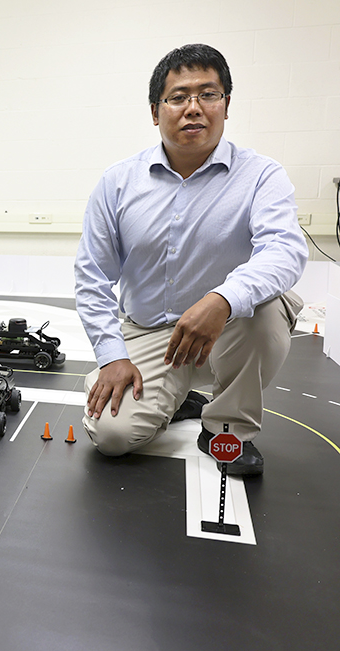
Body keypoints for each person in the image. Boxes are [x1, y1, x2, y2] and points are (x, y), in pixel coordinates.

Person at [74, 43, 307, 476]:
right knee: (113, 438)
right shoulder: (118, 182)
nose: (193, 108)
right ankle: (178, 397)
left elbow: (285, 250)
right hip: (149, 331)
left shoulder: (261, 175)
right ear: (155, 110)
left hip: (228, 329)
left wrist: (222, 298)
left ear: (227, 104)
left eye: (208, 94)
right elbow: (92, 276)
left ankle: (227, 427)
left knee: (264, 308)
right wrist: (111, 356)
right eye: (178, 97)